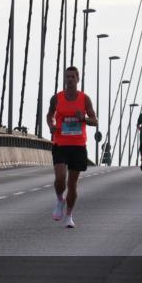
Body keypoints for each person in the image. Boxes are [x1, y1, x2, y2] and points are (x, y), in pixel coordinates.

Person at [47, 66, 99, 229]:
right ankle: (59, 200)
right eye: (67, 77)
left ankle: (69, 215)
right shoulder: (57, 98)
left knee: (72, 183)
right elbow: (49, 115)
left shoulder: (85, 99)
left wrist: (83, 118)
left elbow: (94, 121)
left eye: (72, 77)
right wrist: (51, 125)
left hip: (78, 145)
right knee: (60, 178)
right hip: (60, 143)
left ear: (78, 79)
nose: (69, 79)